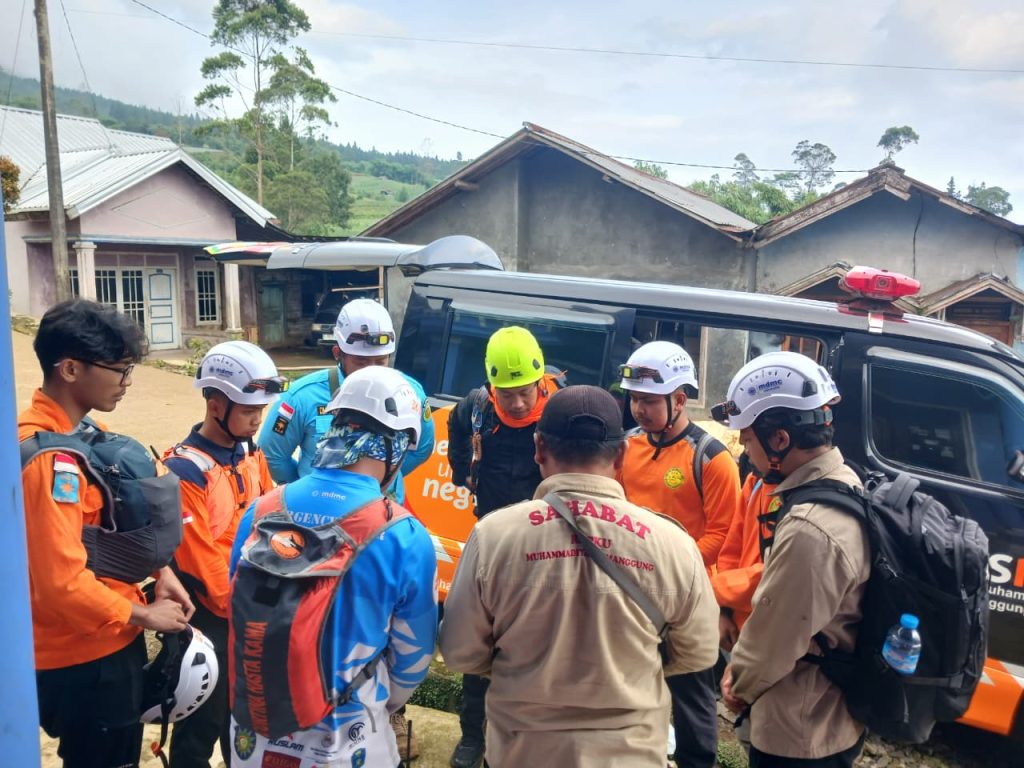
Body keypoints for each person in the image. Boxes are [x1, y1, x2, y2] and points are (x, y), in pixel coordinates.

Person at [440, 385, 720, 768]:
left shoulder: (494, 537)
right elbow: (699, 653)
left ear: (537, 448)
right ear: (621, 455)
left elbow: (459, 651)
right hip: (631, 756)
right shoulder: (674, 544)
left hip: (522, 753)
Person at [229, 365, 438, 768]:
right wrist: (372, 695)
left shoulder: (261, 510)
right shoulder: (404, 534)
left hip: (253, 737)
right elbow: (413, 659)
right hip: (348, 740)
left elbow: (233, 604)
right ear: (396, 447)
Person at [20, 299, 194, 768]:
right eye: (118, 370)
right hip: (85, 657)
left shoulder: (82, 434)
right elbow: (62, 584)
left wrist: (161, 569)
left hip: (105, 642)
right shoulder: (50, 463)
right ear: (71, 369)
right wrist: (144, 614)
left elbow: (107, 524)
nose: (127, 382)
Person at [715, 351, 869, 767]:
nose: (746, 452)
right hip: (824, 709)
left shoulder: (810, 528)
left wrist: (739, 682)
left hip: (801, 727)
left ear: (779, 440)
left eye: (747, 440)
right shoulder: (842, 480)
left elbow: (775, 636)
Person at [616, 340, 740, 768]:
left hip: (689, 597)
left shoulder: (712, 459)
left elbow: (726, 534)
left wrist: (668, 566)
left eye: (649, 401)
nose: (638, 409)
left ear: (680, 399)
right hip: (630, 593)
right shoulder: (624, 448)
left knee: (692, 697)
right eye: (634, 399)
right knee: (630, 688)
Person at [445, 325, 563, 768]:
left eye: (524, 392)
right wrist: (463, 472)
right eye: (506, 393)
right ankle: (472, 736)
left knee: (541, 648)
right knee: (481, 643)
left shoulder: (559, 412)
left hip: (547, 547)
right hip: (492, 540)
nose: (517, 403)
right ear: (492, 385)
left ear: (540, 381)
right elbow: (457, 433)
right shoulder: (476, 409)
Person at [163, 341, 282, 768]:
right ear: (215, 404)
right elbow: (206, 565)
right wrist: (258, 608)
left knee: (244, 725)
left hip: (250, 606)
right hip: (211, 619)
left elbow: (274, 518)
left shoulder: (251, 453)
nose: (258, 419)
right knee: (200, 725)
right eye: (249, 409)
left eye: (261, 409)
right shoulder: (184, 471)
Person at [258, 297, 434, 500]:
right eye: (361, 362)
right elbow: (272, 456)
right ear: (337, 354)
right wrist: (306, 488)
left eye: (380, 361)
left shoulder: (410, 394)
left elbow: (421, 449)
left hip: (381, 513)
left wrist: (382, 478)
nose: (372, 371)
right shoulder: (302, 397)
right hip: (321, 516)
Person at [711, 467, 775, 650]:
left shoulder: (807, 494)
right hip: (736, 628)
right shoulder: (756, 482)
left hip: (773, 631)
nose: (743, 448)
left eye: (748, 440)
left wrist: (712, 591)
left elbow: (781, 572)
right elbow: (731, 551)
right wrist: (722, 611)